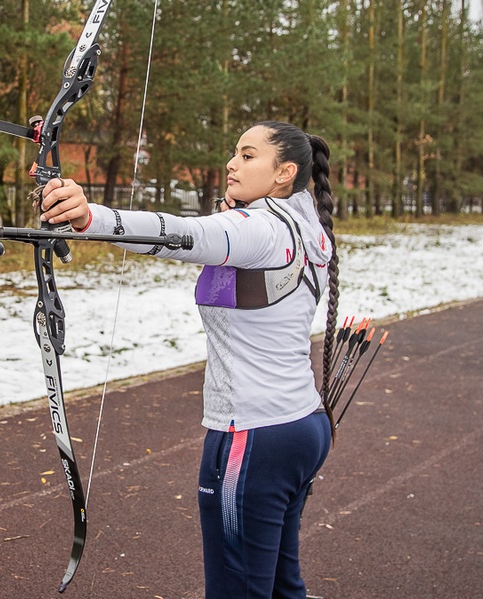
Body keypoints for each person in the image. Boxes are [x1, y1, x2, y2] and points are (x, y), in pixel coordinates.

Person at [37, 121, 340, 598]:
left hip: (254, 434)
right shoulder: (307, 224)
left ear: (284, 172)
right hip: (303, 424)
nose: (231, 163)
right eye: (235, 153)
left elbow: (179, 233)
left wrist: (88, 216)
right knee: (283, 587)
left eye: (247, 155)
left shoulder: (257, 227)